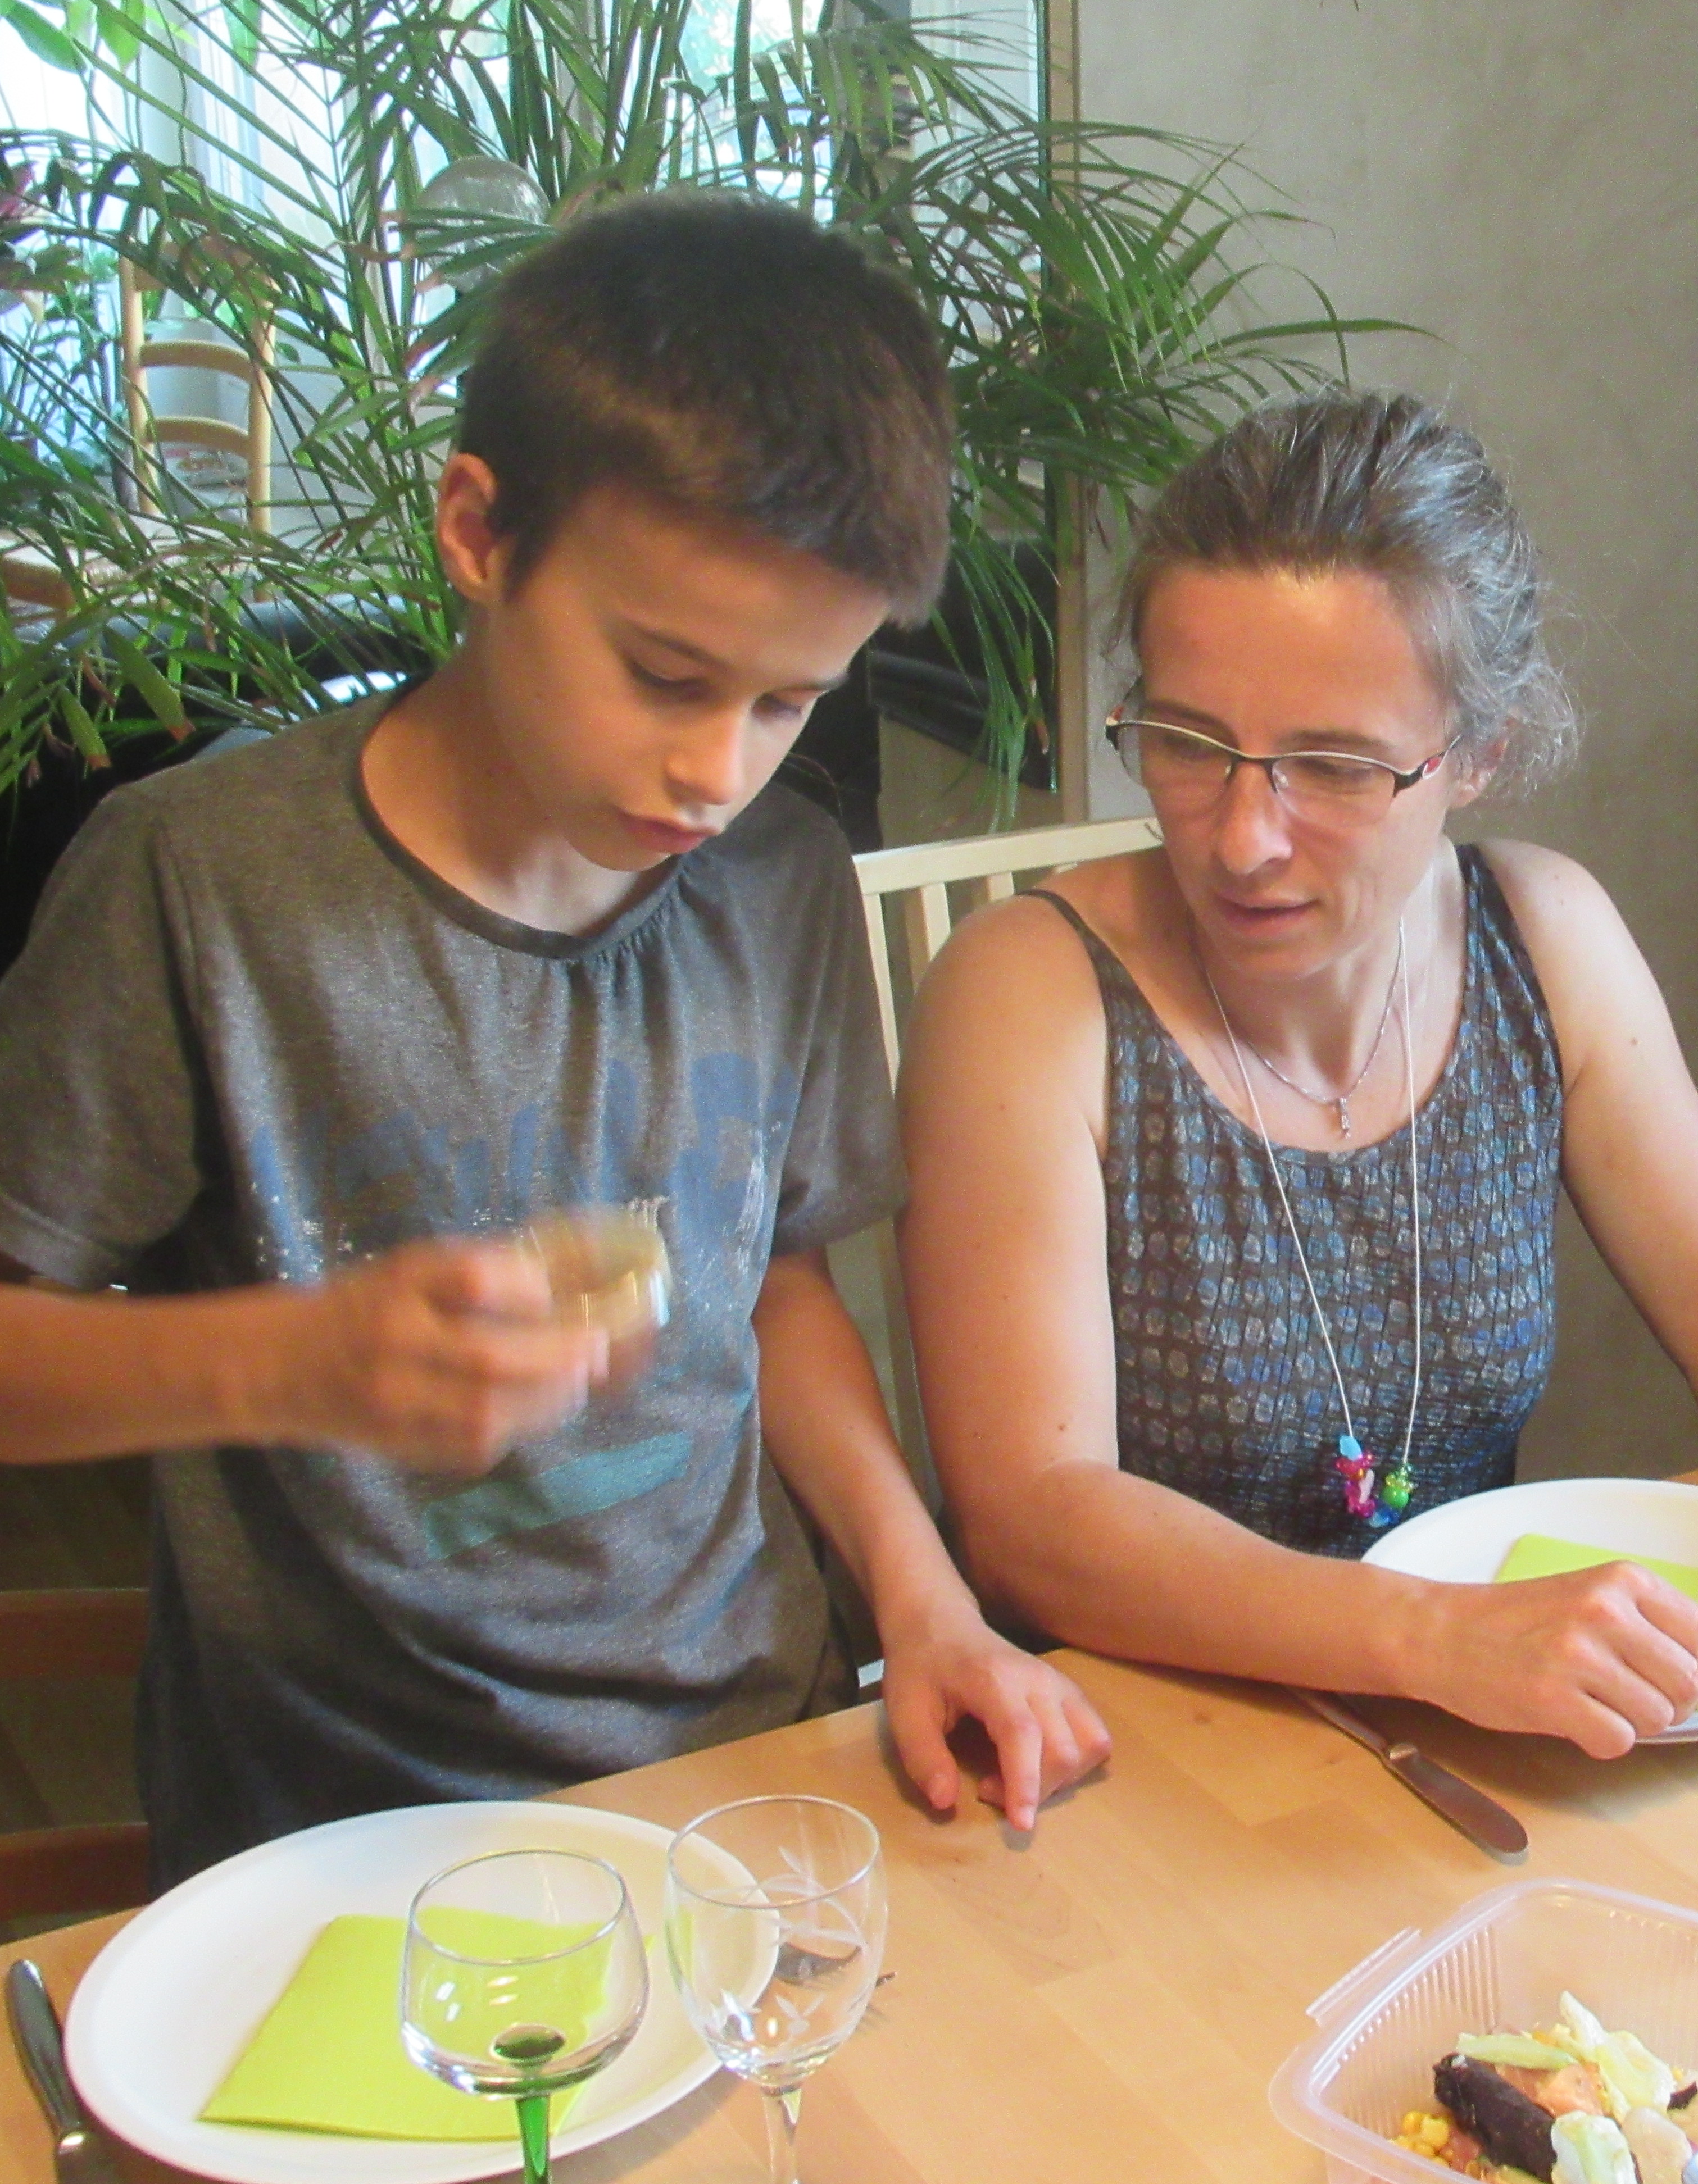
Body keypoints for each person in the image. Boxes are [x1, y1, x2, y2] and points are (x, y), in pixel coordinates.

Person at [0, 193, 1105, 1883]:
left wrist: (926, 1601)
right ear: (479, 530)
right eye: (664, 675)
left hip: (753, 1761)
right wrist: (285, 1362)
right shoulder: (200, 883)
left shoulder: (781, 877)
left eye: (789, 699)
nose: (717, 772)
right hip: (348, 1833)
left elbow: (775, 1285)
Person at [898, 389, 1698, 1758]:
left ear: (1478, 753)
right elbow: (1031, 1517)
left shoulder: (1541, 937)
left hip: (1471, 1737)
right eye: (1189, 745)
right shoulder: (1029, 993)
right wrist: (1432, 1639)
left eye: (1332, 766)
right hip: (1136, 1755)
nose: (1244, 837)